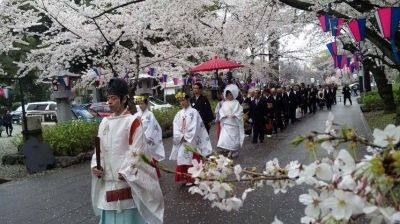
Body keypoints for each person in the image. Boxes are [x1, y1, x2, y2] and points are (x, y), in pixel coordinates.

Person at [91, 78, 164, 224]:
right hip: (107, 181)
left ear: (124, 99)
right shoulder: (104, 123)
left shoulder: (132, 122)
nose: (109, 102)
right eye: (108, 98)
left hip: (126, 181)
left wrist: (125, 171)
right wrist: (96, 166)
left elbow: (138, 151)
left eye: (113, 98)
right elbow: (99, 151)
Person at [170, 92, 212, 186]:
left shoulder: (194, 112)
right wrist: (180, 136)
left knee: (191, 158)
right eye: (180, 101)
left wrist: (187, 136)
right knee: (182, 158)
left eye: (183, 100)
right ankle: (186, 177)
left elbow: (195, 126)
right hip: (182, 140)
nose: (181, 103)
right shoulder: (178, 114)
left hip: (191, 140)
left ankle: (193, 178)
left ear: (188, 100)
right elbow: (175, 126)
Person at [134, 96, 165, 178]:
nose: (140, 105)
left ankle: (154, 175)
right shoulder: (136, 115)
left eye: (142, 103)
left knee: (149, 157)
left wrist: (146, 137)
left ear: (146, 104)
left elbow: (153, 127)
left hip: (147, 139)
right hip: (139, 139)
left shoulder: (150, 114)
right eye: (139, 103)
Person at [217, 84, 244, 158]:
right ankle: (228, 150)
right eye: (228, 95)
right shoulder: (224, 103)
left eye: (231, 94)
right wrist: (224, 115)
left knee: (234, 138)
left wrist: (235, 115)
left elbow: (240, 111)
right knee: (226, 138)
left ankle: (234, 150)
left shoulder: (236, 103)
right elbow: (221, 111)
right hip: (226, 123)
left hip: (234, 123)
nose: (229, 96)